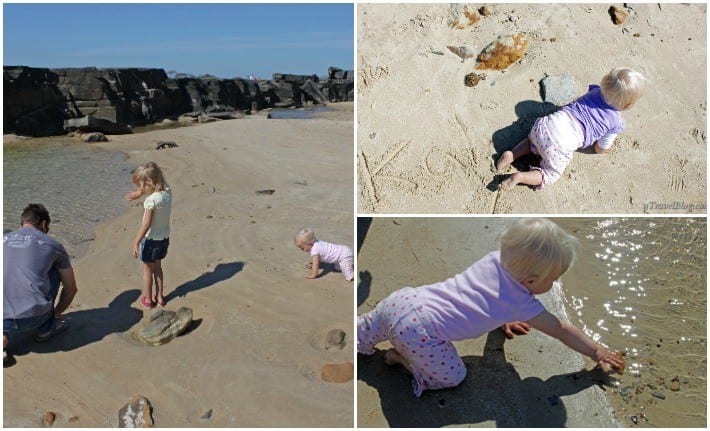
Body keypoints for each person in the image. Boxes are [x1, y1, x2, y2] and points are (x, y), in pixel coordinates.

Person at [357, 218, 624, 397]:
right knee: (453, 377)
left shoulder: (495, 260)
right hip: (420, 335)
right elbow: (561, 330)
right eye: (553, 280)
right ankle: (400, 358)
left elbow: (482, 295)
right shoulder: (522, 302)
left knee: (360, 333)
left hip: (403, 301)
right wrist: (596, 351)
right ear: (530, 281)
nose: (554, 284)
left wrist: (503, 317)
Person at [496, 67, 647, 190]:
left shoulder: (594, 91)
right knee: (551, 174)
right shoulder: (616, 123)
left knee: (532, 141)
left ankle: (512, 154)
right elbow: (599, 148)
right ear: (628, 105)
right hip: (559, 146)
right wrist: (603, 149)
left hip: (545, 125)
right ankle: (520, 177)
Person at [4, 204, 78, 361]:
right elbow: (71, 289)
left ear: (22, 223)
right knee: (55, 269)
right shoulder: (53, 245)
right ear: (44, 224)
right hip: (34, 317)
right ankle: (45, 329)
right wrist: (56, 314)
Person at [125, 162, 172, 309]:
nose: (139, 189)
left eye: (140, 186)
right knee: (158, 267)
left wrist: (136, 241)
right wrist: (140, 192)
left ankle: (148, 299)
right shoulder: (167, 191)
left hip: (150, 240)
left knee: (148, 270)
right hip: (163, 239)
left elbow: (146, 224)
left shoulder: (150, 201)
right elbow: (157, 186)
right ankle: (159, 296)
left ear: (150, 182)